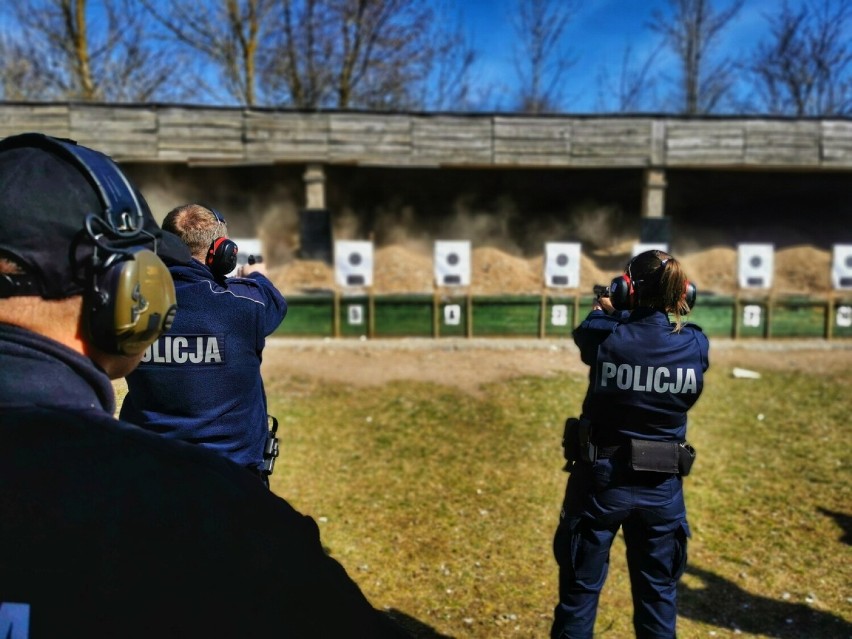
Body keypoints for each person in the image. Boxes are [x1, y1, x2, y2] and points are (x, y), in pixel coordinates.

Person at [0, 132, 408, 638]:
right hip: (233, 478)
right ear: (127, 293)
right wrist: (244, 275)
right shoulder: (240, 529)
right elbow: (267, 298)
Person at [551, 249, 710, 639]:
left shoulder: (603, 332)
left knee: (579, 597)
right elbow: (659, 334)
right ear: (683, 292)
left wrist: (609, 309)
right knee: (658, 600)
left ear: (626, 289)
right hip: (662, 489)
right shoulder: (694, 345)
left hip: (600, 485)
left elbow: (587, 334)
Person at [119, 203, 286, 485]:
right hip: (231, 479)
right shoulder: (247, 303)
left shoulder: (130, 305)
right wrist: (256, 273)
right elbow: (272, 299)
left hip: (147, 475)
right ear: (223, 252)